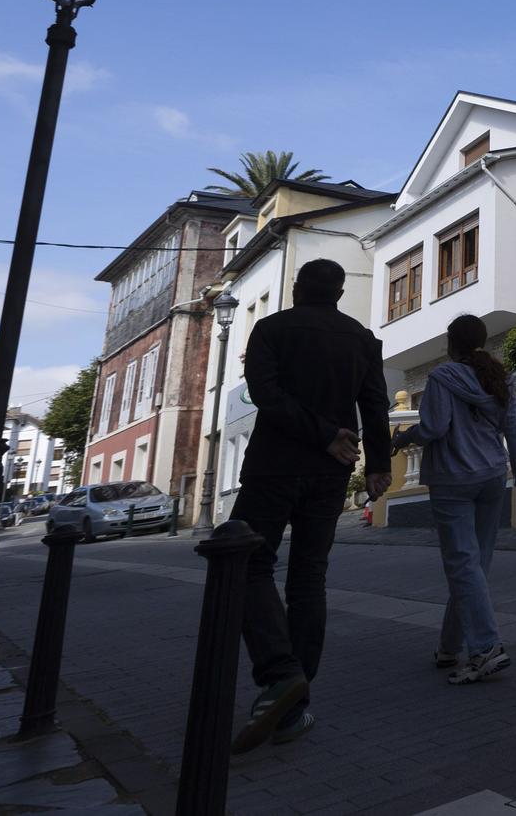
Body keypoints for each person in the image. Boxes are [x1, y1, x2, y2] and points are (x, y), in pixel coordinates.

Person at [230, 258, 391, 752]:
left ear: (298, 289)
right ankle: (294, 702)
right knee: (308, 575)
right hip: (332, 470)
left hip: (274, 465)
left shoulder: (270, 329)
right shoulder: (361, 338)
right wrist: (379, 464)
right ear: (340, 293)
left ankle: (280, 676)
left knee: (245, 566)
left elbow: (266, 395)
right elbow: (375, 403)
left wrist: (320, 436)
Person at [391, 313, 516, 685]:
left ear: (450, 345)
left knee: (462, 565)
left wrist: (404, 438)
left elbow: (434, 428)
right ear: (482, 341)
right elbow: (514, 431)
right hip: (491, 478)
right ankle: (449, 647)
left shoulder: (442, 377)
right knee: (474, 565)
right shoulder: (500, 378)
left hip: (453, 480)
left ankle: (486, 648)